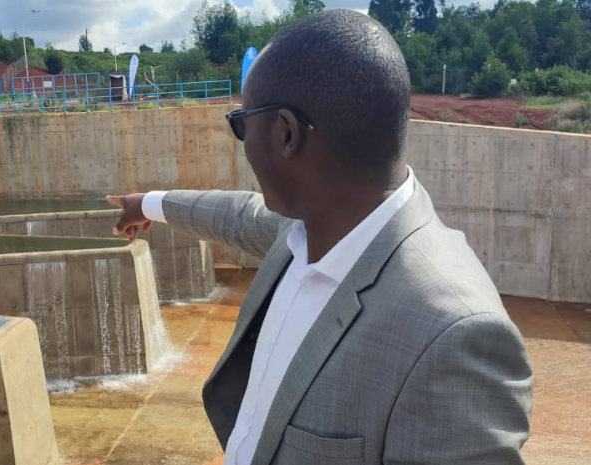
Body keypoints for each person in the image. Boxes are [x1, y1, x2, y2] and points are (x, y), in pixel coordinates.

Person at [107, 9, 532, 465]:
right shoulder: (311, 232)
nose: (243, 143)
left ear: (286, 134)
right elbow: (234, 214)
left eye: (242, 125)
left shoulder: (452, 337)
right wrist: (147, 203)